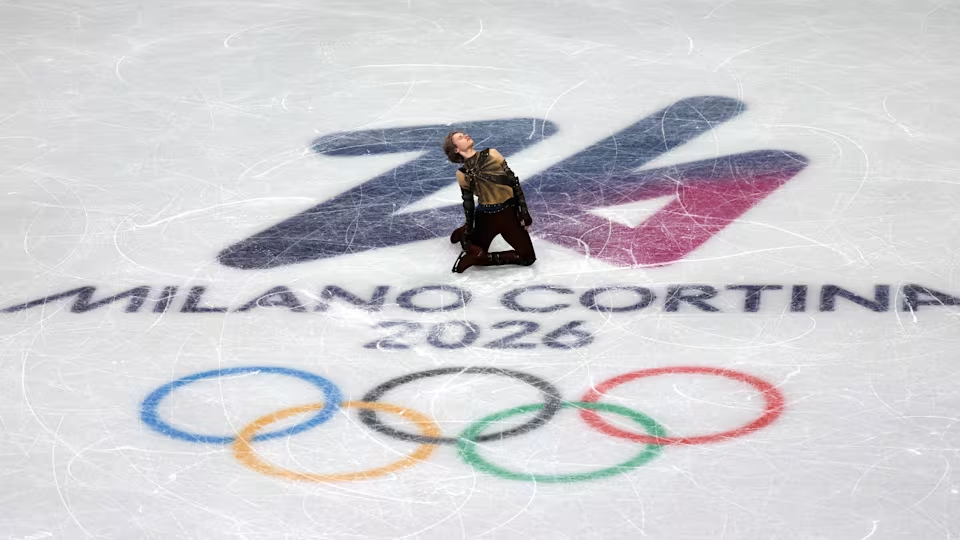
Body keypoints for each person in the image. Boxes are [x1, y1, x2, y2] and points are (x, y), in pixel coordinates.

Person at [442, 131, 536, 273]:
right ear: (456, 149)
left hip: (509, 214)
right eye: (460, 137)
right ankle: (465, 235)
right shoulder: (462, 174)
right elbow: (468, 203)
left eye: (464, 134)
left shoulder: (492, 154)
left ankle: (479, 257)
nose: (466, 135)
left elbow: (513, 182)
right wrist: (469, 228)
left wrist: (523, 210)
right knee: (475, 249)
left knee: (528, 258)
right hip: (486, 218)